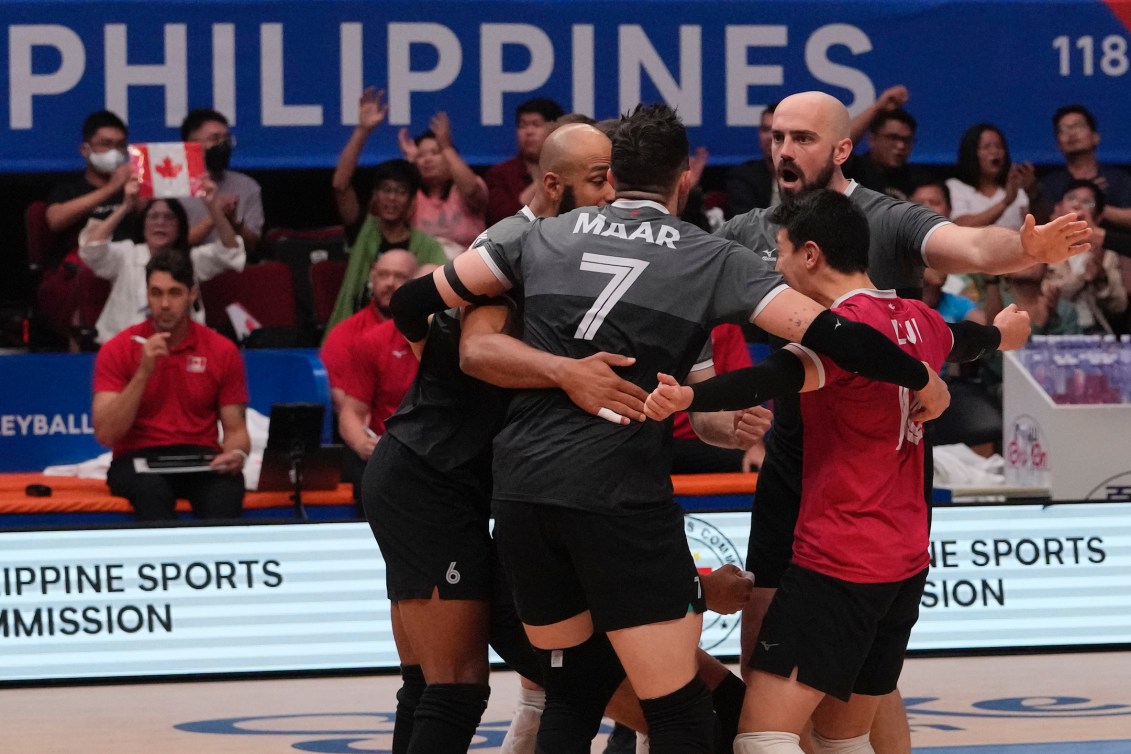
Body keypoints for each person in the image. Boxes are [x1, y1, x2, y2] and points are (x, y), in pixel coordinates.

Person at [391, 102, 961, 754]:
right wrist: (918, 378)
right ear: (684, 179)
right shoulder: (709, 256)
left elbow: (412, 303)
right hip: (617, 493)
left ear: (611, 173)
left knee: (575, 680)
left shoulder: (533, 236)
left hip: (520, 492)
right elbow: (834, 336)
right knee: (679, 708)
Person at [714, 90, 1090, 752]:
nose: (783, 150)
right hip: (792, 471)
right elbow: (681, 282)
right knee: (768, 671)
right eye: (776, 137)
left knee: (861, 682)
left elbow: (971, 247)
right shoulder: (751, 230)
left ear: (839, 148)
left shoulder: (881, 218)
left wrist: (1022, 247)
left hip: (873, 489)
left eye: (801, 138)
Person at [644, 189, 1031, 754]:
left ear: (810, 255)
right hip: (905, 565)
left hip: (839, 561)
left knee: (761, 738)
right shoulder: (918, 319)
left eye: (778, 253)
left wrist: (689, 398)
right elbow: (966, 340)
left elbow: (769, 378)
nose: (773, 268)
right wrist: (1005, 335)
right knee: (840, 741)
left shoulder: (838, 337)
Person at [91, 249, 250, 521]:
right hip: (136, 460)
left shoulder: (222, 350)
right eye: (156, 293)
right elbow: (106, 433)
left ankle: (218, 563)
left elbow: (236, 430)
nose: (164, 304)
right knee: (152, 492)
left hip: (201, 457)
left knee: (226, 491)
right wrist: (143, 373)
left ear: (192, 294)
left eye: (174, 293)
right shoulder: (117, 349)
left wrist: (235, 454)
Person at [327, 88, 449, 334]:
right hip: (354, 334)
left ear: (413, 200)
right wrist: (363, 130)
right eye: (385, 189)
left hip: (405, 339)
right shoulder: (364, 228)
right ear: (375, 195)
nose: (392, 198)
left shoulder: (428, 247)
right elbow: (340, 185)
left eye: (401, 191)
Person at [79, 175, 245, 345]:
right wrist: (125, 206)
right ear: (143, 226)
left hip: (181, 348)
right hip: (125, 347)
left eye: (169, 217)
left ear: (180, 227)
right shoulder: (126, 254)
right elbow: (91, 250)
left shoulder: (191, 259)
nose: (160, 223)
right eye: (153, 216)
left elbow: (230, 251)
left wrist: (212, 207)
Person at [322, 250, 420, 500]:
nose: (390, 283)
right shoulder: (361, 339)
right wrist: (363, 445)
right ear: (372, 279)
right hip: (385, 445)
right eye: (383, 275)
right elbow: (348, 409)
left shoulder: (461, 343)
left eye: (400, 277)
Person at [38, 110, 134, 346]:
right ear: (85, 150)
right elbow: (55, 219)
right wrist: (111, 189)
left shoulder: (134, 189)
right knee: (91, 276)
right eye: (105, 144)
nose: (114, 152)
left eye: (120, 145)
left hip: (128, 265)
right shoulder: (68, 190)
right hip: (82, 270)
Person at [1043, 180, 1128, 335]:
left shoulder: (1106, 253)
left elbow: (1119, 306)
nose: (1077, 206)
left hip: (1095, 332)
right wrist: (1084, 278)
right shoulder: (1041, 249)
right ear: (1058, 208)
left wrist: (1101, 279)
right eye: (1071, 199)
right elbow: (1047, 294)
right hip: (1055, 329)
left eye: (1087, 202)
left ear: (1099, 217)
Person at [398, 111, 488, 254]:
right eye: (420, 155)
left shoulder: (464, 187)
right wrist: (409, 163)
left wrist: (446, 146)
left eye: (435, 153)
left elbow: (471, 190)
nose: (427, 160)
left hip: (468, 266)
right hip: (424, 267)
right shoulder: (413, 194)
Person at [179, 108, 264, 257]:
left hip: (234, 269)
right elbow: (172, 243)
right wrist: (216, 216)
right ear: (191, 144)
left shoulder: (247, 186)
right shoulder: (171, 187)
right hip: (185, 268)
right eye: (215, 139)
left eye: (226, 139)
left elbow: (252, 246)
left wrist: (235, 222)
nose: (223, 145)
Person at [1037, 104, 1131, 230]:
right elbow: (1039, 223)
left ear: (1095, 137)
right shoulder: (1049, 183)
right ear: (1058, 144)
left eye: (1078, 126)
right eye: (1063, 129)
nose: (1071, 133)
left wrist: (1095, 203)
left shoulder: (1118, 179)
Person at [485, 97, 565, 225]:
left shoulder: (570, 170)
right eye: (522, 126)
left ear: (555, 130)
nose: (528, 132)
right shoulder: (500, 174)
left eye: (536, 124)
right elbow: (500, 221)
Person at [945, 123, 1036, 230]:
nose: (995, 152)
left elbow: (1033, 229)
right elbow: (962, 226)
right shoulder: (955, 187)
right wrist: (1006, 202)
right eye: (986, 147)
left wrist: (1032, 193)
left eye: (999, 146)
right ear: (971, 153)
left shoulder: (1016, 188)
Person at [844, 108, 935, 201]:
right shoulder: (852, 169)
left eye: (907, 140)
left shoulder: (919, 180)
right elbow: (840, 143)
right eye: (893, 138)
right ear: (873, 139)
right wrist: (879, 106)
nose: (901, 146)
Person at [726, 102, 778, 216]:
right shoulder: (743, 177)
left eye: (777, 131)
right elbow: (746, 226)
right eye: (765, 130)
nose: (770, 137)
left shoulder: (808, 177)